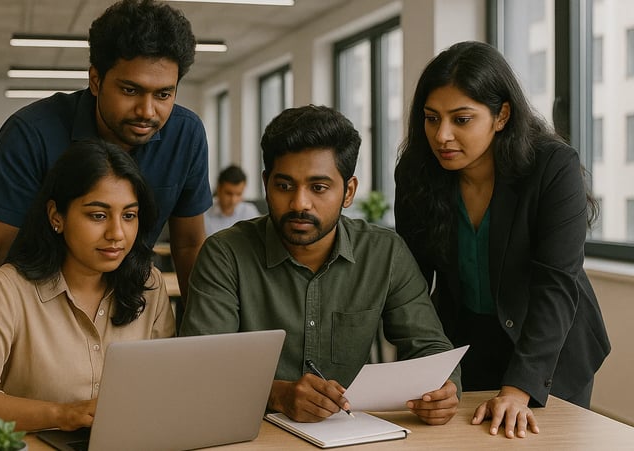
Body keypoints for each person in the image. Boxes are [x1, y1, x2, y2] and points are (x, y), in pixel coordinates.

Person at [180, 105, 460, 425]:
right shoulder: (225, 254)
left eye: (318, 187)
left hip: (352, 434)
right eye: (284, 186)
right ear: (265, 183)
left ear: (349, 191)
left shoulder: (385, 253)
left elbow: (430, 348)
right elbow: (201, 369)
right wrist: (275, 394)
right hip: (250, 432)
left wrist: (444, 391)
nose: (300, 203)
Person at [393, 41, 611, 439]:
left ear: (501, 115)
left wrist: (519, 387)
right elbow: (412, 288)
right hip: (466, 346)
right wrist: (424, 367)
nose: (442, 136)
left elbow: (556, 284)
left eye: (461, 119)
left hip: (550, 348)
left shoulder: (551, 166)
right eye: (431, 118)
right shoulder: (416, 175)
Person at [0, 0, 211, 327]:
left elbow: (189, 244)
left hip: (126, 306)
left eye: (164, 94)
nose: (148, 111)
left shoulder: (185, 135)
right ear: (95, 80)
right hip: (33, 308)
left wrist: (203, 338)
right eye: (130, 90)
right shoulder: (31, 134)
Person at [0, 140, 175, 433]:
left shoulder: (148, 284)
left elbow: (167, 385)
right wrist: (62, 415)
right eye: (98, 215)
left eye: (129, 215)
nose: (117, 233)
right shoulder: (7, 289)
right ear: (56, 216)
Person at [204, 164, 260, 236]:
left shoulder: (250, 212)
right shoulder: (204, 212)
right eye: (228, 193)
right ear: (219, 189)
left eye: (238, 194)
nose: (233, 200)